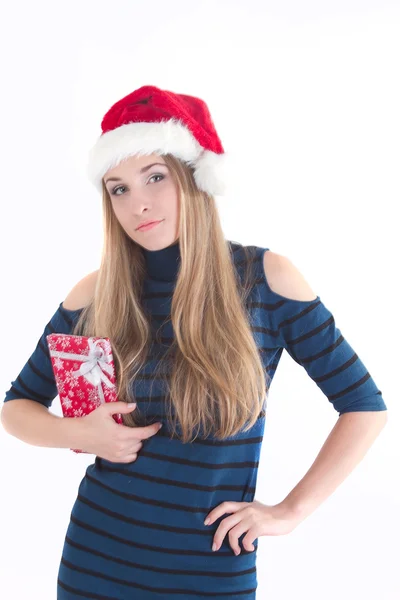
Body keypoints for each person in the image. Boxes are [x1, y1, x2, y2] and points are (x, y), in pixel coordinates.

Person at [1, 85, 388, 599]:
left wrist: (290, 512)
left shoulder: (265, 279)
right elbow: (17, 407)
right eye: (118, 188)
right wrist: (83, 433)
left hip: (211, 569)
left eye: (155, 177)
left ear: (195, 178)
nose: (138, 203)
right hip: (97, 559)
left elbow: (364, 405)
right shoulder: (95, 294)